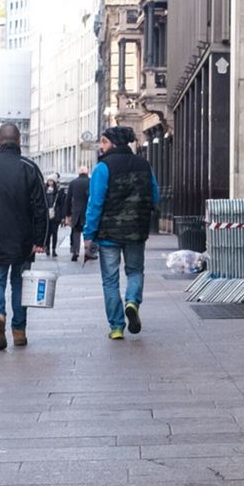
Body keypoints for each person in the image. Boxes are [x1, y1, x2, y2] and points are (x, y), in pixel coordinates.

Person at [0, 123, 47, 351]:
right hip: (24, 238)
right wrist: (40, 240)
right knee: (20, 283)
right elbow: (41, 205)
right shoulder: (29, 167)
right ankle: (19, 331)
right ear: (19, 140)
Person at [83, 126, 159, 340]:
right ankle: (132, 301)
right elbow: (155, 195)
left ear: (114, 143)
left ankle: (116, 327)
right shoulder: (144, 165)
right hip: (136, 230)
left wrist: (89, 234)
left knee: (110, 280)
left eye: (104, 141)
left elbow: (95, 203)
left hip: (108, 233)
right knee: (135, 271)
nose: (101, 146)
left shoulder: (102, 168)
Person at [63, 164, 92, 262]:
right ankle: (90, 252)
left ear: (78, 173)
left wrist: (67, 214)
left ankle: (76, 251)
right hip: (89, 211)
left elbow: (68, 199)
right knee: (90, 233)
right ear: (87, 173)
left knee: (76, 232)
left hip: (76, 212)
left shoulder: (73, 183)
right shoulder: (91, 182)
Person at [44, 176, 65, 257]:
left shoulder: (58, 192)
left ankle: (53, 249)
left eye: (52, 181)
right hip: (47, 216)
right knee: (48, 233)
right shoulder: (44, 191)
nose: (50, 183)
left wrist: (62, 217)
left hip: (56, 215)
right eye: (49, 181)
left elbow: (62, 204)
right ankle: (48, 248)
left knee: (55, 233)